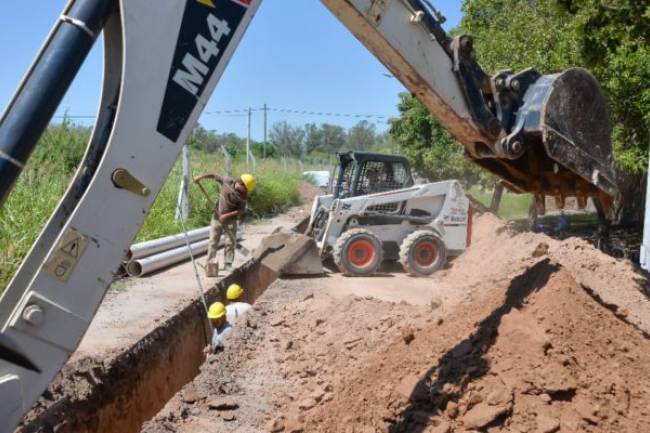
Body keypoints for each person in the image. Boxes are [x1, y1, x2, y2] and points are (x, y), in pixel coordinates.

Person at [194, 173, 256, 277]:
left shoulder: (243, 196)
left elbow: (240, 211)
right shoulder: (227, 181)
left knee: (230, 242)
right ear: (241, 183)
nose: (246, 191)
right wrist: (200, 177)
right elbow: (213, 175)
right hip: (216, 218)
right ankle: (209, 263)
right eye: (245, 188)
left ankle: (228, 264)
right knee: (213, 240)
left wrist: (226, 216)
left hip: (231, 220)